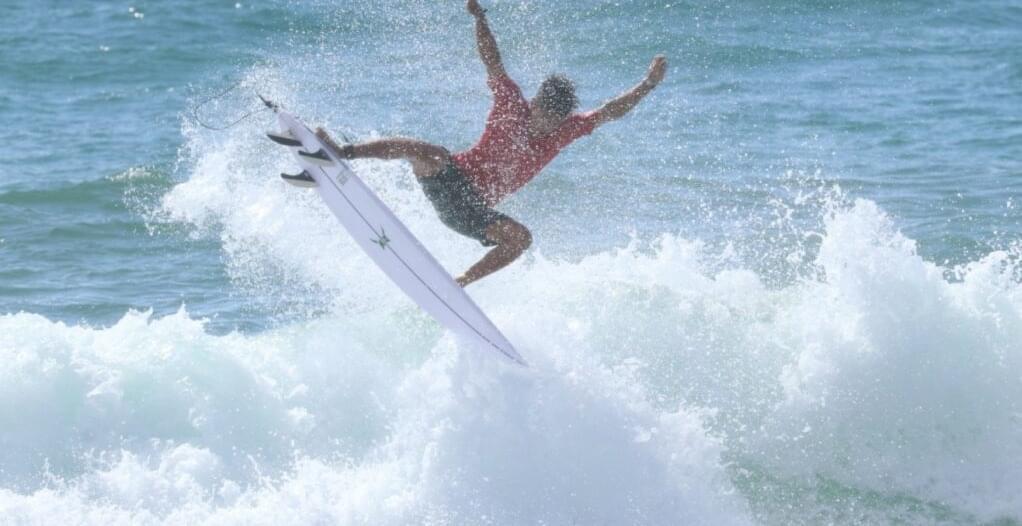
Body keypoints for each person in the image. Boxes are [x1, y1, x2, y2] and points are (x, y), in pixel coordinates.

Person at [316, 0, 667, 287]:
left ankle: (463, 281)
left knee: (521, 239)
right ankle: (343, 152)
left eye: (552, 122)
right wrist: (479, 17)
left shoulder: (567, 130)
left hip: (473, 211)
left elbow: (608, 111)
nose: (544, 126)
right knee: (430, 152)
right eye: (542, 115)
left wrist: (647, 85)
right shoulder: (511, 101)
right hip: (448, 180)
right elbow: (492, 60)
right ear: (535, 103)